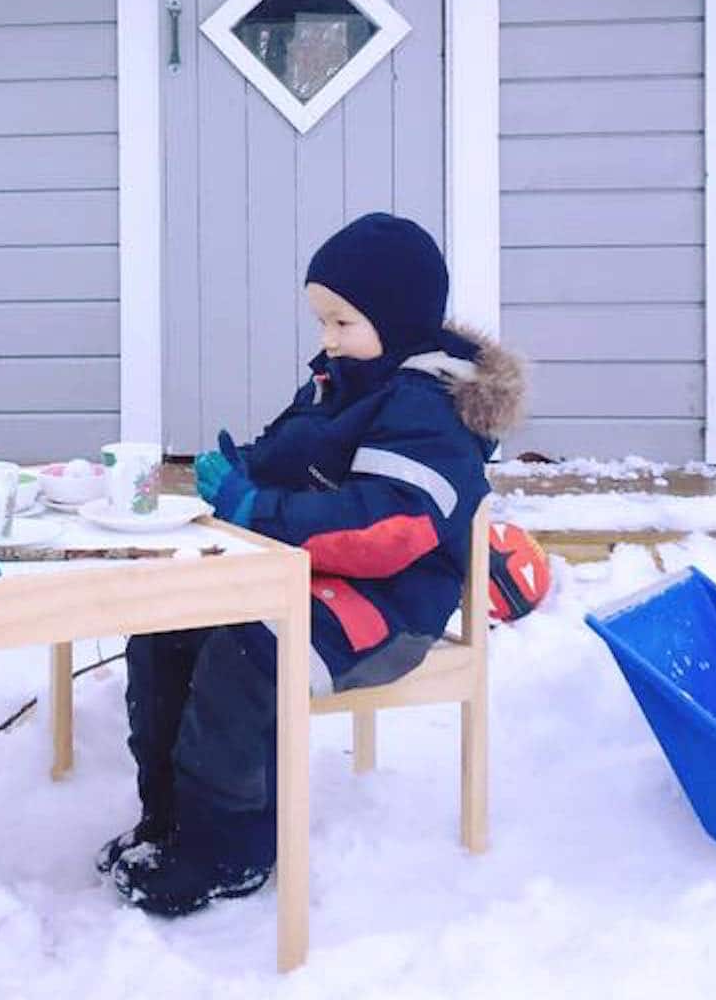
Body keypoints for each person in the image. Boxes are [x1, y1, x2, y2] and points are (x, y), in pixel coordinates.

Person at [102, 213, 524, 916]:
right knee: (167, 627)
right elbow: (294, 453)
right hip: (307, 578)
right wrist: (241, 470)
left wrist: (255, 508)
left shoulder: (430, 409)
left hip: (385, 610)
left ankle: (230, 848)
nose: (326, 338)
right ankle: (171, 823)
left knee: (247, 650)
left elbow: (387, 526)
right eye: (322, 321)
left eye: (341, 322)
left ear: (395, 317)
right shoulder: (342, 379)